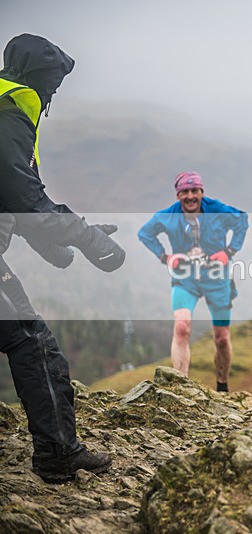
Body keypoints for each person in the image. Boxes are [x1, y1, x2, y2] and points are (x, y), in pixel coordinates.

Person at [0, 34, 126, 482]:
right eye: (53, 84)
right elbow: (26, 200)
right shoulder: (12, 111)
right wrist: (89, 239)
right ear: (40, 79)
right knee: (31, 343)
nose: (53, 94)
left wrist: (51, 245)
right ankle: (57, 455)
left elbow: (15, 197)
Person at [138, 172, 248, 392]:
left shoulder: (217, 209)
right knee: (181, 327)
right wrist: (165, 257)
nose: (190, 196)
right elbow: (145, 233)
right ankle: (182, 389)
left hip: (217, 277)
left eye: (194, 191)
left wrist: (229, 251)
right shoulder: (168, 215)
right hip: (185, 276)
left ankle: (222, 386)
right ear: (178, 195)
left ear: (201, 192)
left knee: (222, 338)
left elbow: (242, 220)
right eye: (184, 192)